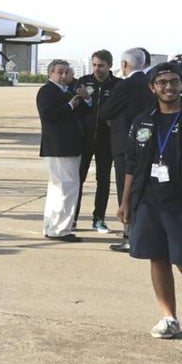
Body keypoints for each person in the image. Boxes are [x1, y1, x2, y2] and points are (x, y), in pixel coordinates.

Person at [116, 61, 182, 338]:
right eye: (162, 82)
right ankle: (168, 318)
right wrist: (125, 201)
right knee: (158, 257)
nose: (169, 87)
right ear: (152, 87)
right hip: (149, 200)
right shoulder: (143, 120)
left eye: (174, 81)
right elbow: (132, 162)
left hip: (178, 203)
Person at [100, 48, 155, 251]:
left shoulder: (125, 85)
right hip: (148, 143)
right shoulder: (150, 83)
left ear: (124, 65)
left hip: (124, 144)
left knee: (126, 190)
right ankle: (140, 234)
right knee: (141, 190)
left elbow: (105, 111)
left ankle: (130, 235)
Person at [37, 59, 87, 242]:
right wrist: (70, 106)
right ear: (50, 73)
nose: (64, 75)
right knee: (67, 187)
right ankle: (60, 229)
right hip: (60, 147)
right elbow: (48, 114)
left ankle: (52, 227)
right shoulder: (47, 91)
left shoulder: (66, 91)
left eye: (67, 72)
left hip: (65, 146)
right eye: (59, 72)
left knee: (58, 188)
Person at [73, 50, 119, 232]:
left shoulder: (117, 85)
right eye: (94, 65)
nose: (97, 69)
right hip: (84, 139)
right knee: (78, 179)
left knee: (104, 180)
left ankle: (98, 219)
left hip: (106, 140)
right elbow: (73, 107)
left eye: (101, 65)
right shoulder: (84, 82)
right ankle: (72, 218)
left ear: (109, 65)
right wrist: (83, 98)